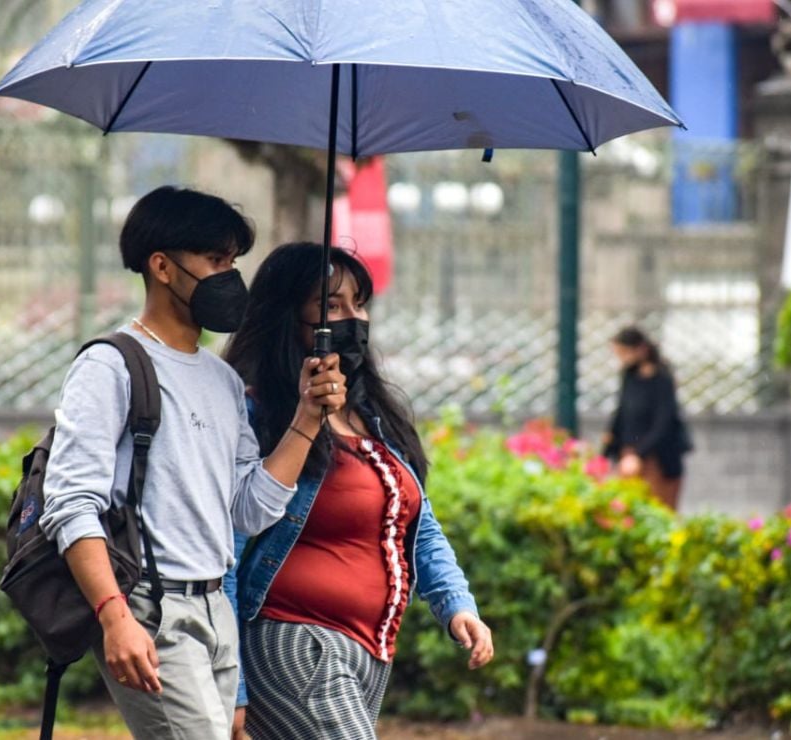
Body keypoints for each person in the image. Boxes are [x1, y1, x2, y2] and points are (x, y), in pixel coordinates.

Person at [40, 187, 346, 740]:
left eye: (233, 262)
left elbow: (248, 509)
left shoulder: (222, 379)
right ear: (162, 266)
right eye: (215, 261)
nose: (229, 276)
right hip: (152, 609)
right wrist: (115, 616)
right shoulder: (111, 365)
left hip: (215, 613)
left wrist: (308, 416)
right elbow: (70, 504)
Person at [223, 242, 494, 740]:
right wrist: (234, 687)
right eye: (330, 306)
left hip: (369, 653)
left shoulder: (374, 416)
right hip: (295, 641)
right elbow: (228, 552)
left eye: (360, 303)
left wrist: (458, 605)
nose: (352, 317)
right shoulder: (256, 413)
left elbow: (417, 524)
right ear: (288, 317)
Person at [601, 326, 690, 510]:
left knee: (658, 509)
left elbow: (664, 423)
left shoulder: (662, 379)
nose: (622, 358)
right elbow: (621, 413)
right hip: (629, 456)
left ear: (640, 349)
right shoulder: (628, 376)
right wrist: (609, 447)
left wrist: (638, 455)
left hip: (656, 458)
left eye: (624, 352)